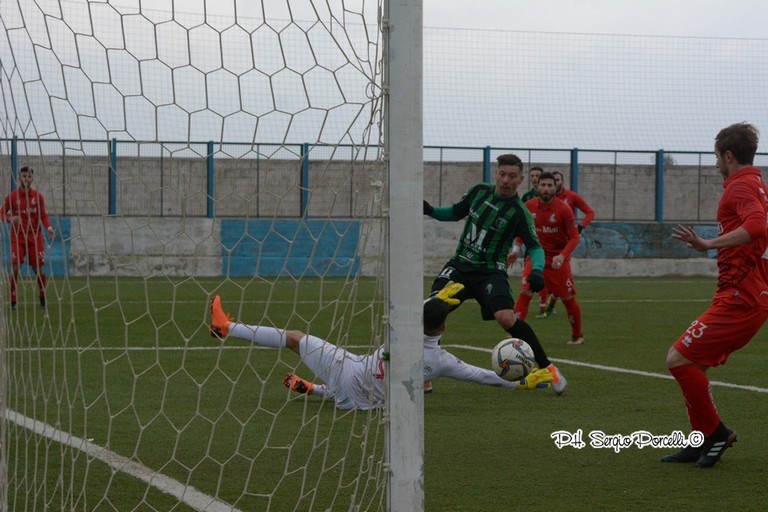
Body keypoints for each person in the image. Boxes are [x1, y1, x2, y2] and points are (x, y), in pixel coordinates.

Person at [207, 284, 553, 411]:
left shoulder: (401, 331)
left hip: (353, 373)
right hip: (371, 403)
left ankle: (227, 328)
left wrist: (434, 297)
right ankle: (313, 389)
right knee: (364, 383)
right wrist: (522, 381)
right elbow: (483, 376)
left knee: (295, 339)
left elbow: (415, 312)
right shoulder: (443, 361)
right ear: (444, 327)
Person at [662, 122, 768, 468]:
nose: (715, 165)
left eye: (717, 158)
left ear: (728, 155)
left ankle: (718, 433)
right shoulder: (755, 184)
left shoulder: (739, 188)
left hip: (742, 297)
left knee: (677, 359)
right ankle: (702, 440)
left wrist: (708, 243)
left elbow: (756, 227)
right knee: (693, 365)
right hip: (742, 293)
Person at [423, 153, 567, 395]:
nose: (506, 180)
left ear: (521, 180)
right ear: (496, 174)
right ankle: (423, 372)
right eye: (502, 174)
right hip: (460, 265)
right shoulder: (479, 191)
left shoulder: (519, 212)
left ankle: (547, 367)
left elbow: (534, 246)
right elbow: (455, 212)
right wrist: (430, 210)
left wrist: (538, 271)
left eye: (512, 176)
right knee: (434, 308)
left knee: (506, 318)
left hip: (490, 272)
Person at [509, 172, 585, 345]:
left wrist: (563, 255)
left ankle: (577, 335)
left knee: (567, 298)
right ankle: (515, 336)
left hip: (558, 261)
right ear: (537, 186)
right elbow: (522, 231)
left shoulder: (564, 209)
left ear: (555, 187)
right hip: (536, 257)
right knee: (525, 292)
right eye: (543, 185)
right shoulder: (528, 206)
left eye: (550, 185)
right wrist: (516, 249)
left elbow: (574, 237)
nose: (546, 188)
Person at [1, 166, 55, 310]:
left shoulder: (38, 197)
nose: (26, 178)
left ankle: (42, 296)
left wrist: (49, 227)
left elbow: (43, 215)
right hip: (17, 237)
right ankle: (13, 300)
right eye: (24, 176)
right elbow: (1, 213)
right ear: (19, 178)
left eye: (29, 176)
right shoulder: (12, 197)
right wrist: (10, 218)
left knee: (37, 269)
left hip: (34, 237)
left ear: (33, 178)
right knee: (16, 267)